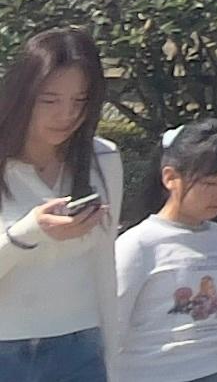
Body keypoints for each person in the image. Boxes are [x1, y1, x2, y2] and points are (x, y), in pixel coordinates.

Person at [0, 29, 117, 382]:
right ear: (22, 95)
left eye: (80, 100)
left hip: (80, 347)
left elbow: (105, 266)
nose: (66, 114)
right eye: (49, 100)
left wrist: (114, 356)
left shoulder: (103, 158)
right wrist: (28, 232)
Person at [109, 123, 217, 382]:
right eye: (210, 182)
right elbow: (112, 324)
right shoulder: (139, 244)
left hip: (213, 369)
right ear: (170, 178)